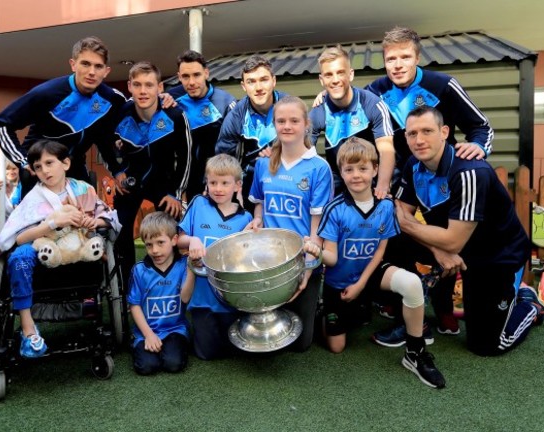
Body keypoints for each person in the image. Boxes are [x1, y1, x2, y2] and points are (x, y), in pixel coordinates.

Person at [367, 26, 495, 335]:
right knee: (397, 242)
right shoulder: (373, 91)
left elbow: (481, 127)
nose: (397, 64)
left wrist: (477, 146)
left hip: (439, 181)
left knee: (445, 243)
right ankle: (402, 308)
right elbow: (352, 112)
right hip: (398, 183)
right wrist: (324, 97)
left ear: (417, 57)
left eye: (404, 57)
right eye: (390, 58)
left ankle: (445, 308)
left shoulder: (444, 85)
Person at [392, 106, 544, 357]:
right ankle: (406, 314)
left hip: (495, 258)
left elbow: (442, 235)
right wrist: (436, 249)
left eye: (427, 131)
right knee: (390, 239)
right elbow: (400, 212)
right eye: (412, 134)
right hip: (452, 247)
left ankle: (529, 304)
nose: (418, 140)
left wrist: (412, 226)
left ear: (444, 132)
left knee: (487, 346)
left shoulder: (470, 171)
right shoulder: (412, 164)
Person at [314, 137, 444, 388]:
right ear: (341, 172)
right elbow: (332, 258)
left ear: (375, 170)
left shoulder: (385, 205)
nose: (356, 175)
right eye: (349, 169)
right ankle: (322, 313)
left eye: (363, 169)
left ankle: (415, 352)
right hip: (338, 281)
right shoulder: (335, 209)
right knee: (337, 347)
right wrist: (314, 250)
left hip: (370, 274)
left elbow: (381, 249)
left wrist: (362, 284)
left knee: (412, 283)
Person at [0, 140, 120, 358]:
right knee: (19, 257)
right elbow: (19, 237)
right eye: (38, 167)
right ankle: (29, 329)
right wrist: (51, 224)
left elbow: (106, 216)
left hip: (78, 250)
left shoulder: (84, 189)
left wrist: (96, 223)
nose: (44, 170)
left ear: (65, 163)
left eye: (49, 163)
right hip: (41, 252)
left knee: (96, 242)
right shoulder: (33, 198)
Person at [247, 95, 334, 352]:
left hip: (301, 260)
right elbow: (259, 202)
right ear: (274, 124)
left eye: (294, 121)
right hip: (270, 259)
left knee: (299, 344)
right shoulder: (263, 164)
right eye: (281, 121)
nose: (287, 126)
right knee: (270, 335)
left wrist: (308, 270)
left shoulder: (319, 168)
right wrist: (257, 219)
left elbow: (317, 227)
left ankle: (317, 309)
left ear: (306, 124)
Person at [0, 36, 126, 196]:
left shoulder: (112, 99)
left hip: (74, 168)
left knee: (86, 217)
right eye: (85, 64)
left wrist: (117, 171)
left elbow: (104, 139)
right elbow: (0, 124)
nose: (91, 72)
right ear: (73, 64)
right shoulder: (46, 94)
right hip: (41, 170)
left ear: (106, 71)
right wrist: (23, 160)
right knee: (43, 221)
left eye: (98, 66)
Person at [113, 61, 192, 288]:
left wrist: (176, 193)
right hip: (131, 180)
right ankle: (127, 284)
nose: (143, 91)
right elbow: (106, 143)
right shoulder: (122, 112)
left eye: (149, 85)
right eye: (137, 85)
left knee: (168, 233)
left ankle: (171, 282)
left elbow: (186, 158)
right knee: (120, 230)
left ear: (160, 87)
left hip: (164, 184)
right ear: (129, 86)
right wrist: (117, 171)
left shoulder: (175, 115)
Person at [177, 154, 253, 360]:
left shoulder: (246, 218)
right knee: (207, 354)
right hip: (202, 297)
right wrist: (192, 240)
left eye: (224, 183)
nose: (218, 188)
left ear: (237, 185)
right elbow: (179, 240)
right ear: (206, 183)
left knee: (236, 351)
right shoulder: (199, 204)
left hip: (231, 298)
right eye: (213, 183)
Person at [309, 46, 395, 198]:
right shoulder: (318, 111)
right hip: (337, 180)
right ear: (322, 80)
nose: (335, 80)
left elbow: (386, 150)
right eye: (329, 75)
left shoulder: (372, 104)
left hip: (370, 179)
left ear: (351, 74)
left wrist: (382, 185)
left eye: (340, 72)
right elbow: (303, 153)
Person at [215, 55, 289, 210]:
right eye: (251, 82)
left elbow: (307, 143)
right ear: (244, 86)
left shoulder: (290, 106)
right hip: (251, 180)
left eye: (263, 80)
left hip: (288, 174)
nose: (258, 87)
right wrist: (235, 186)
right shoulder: (236, 115)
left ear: (273, 81)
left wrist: (280, 151)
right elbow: (224, 159)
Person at [128, 211, 195, 375]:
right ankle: (141, 343)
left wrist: (192, 268)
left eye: (160, 243)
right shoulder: (140, 270)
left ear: (174, 240)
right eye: (149, 244)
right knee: (147, 367)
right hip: (147, 331)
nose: (155, 250)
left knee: (173, 364)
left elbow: (185, 298)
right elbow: (134, 305)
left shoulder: (182, 265)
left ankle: (172, 346)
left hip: (175, 329)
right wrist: (148, 335)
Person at [170, 50, 237, 201]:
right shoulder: (173, 103)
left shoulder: (226, 102)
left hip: (221, 182)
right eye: (186, 76)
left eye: (196, 75)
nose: (191, 82)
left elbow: (236, 147)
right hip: (188, 184)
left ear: (206, 73)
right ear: (179, 77)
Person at [0, 160, 22, 237]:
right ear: (0, 170)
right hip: (0, 225)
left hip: (20, 225)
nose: (11, 171)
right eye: (8, 169)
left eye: (14, 168)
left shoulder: (22, 185)